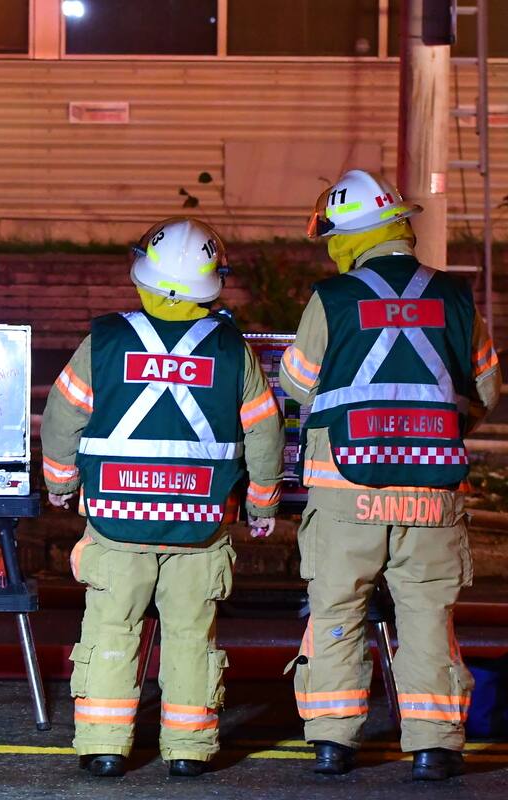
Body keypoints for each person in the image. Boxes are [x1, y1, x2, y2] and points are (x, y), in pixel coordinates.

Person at [42, 217, 284, 778]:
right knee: (191, 635)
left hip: (116, 520)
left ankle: (104, 746)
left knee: (112, 628)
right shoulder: (232, 349)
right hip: (200, 524)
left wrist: (60, 481)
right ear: (212, 282)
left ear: (142, 275)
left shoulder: (105, 341)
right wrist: (263, 502)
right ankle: (189, 750)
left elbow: (62, 415)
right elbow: (265, 431)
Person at [282, 169, 500, 780]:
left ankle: (333, 740)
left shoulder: (333, 298)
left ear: (349, 236)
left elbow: (296, 383)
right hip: (432, 493)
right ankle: (434, 746)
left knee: (336, 611)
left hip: (345, 494)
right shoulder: (455, 297)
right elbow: (486, 388)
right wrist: (435, 431)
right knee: (427, 615)